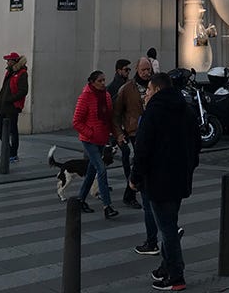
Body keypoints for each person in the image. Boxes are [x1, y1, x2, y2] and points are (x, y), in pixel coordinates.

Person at [130, 72, 200, 291]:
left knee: (167, 228)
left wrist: (135, 177)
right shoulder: (186, 109)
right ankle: (165, 267)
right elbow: (196, 143)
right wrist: (189, 168)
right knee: (169, 223)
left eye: (148, 90)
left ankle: (176, 276)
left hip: (158, 180)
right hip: (179, 178)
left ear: (158, 90)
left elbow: (142, 149)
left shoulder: (153, 112)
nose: (146, 95)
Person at [73, 70, 118, 218]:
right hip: (89, 140)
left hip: (102, 139)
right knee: (101, 169)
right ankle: (107, 205)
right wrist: (90, 133)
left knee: (92, 172)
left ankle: (80, 199)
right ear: (92, 82)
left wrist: (116, 135)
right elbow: (77, 121)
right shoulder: (85, 97)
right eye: (100, 80)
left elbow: (110, 118)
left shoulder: (106, 96)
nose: (103, 83)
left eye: (104, 80)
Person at [113, 57, 151, 211]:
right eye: (143, 70)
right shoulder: (128, 88)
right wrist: (119, 133)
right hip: (135, 130)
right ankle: (131, 193)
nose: (146, 72)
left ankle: (135, 190)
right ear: (137, 69)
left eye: (148, 69)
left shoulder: (154, 85)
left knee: (144, 162)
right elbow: (116, 113)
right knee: (140, 161)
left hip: (150, 129)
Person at [0, 52, 29, 162]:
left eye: (9, 60)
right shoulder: (9, 72)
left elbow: (24, 91)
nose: (7, 62)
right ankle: (7, 150)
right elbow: (4, 89)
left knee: (13, 130)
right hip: (3, 106)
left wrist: (11, 99)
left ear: (14, 61)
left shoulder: (22, 73)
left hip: (12, 107)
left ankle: (13, 154)